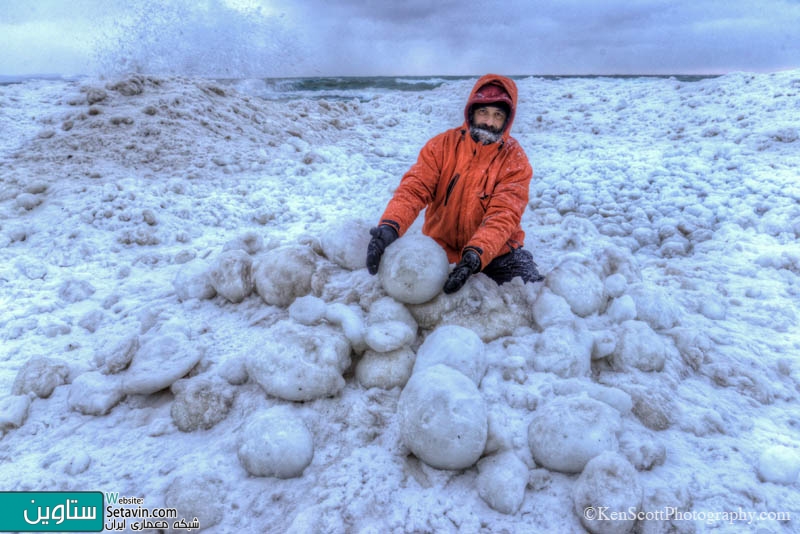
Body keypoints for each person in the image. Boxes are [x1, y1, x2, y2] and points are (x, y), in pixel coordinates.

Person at [366, 73, 543, 294]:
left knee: (533, 294)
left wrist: (475, 256)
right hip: (441, 250)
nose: (489, 122)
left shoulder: (515, 160)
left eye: (498, 115)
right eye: (483, 112)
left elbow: (503, 215)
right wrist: (390, 227)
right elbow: (413, 190)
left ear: (507, 120)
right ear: (471, 112)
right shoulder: (441, 146)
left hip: (497, 253)